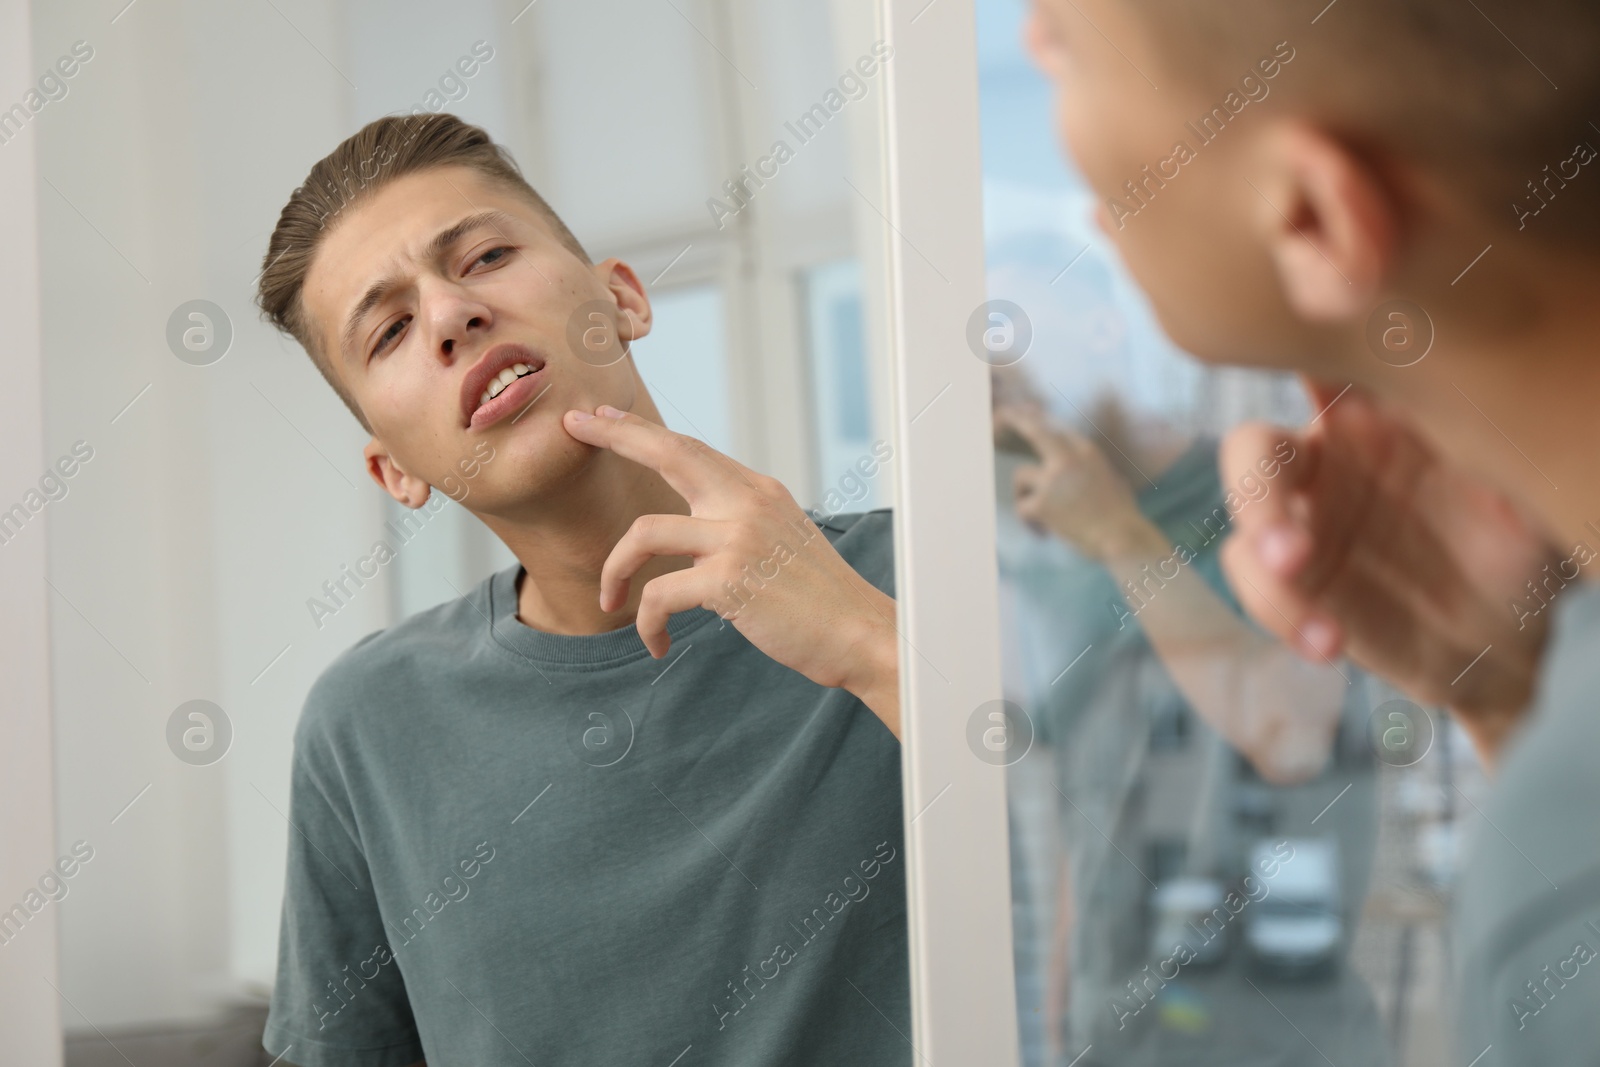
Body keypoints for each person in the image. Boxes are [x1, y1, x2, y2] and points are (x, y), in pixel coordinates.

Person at [252, 112, 906, 1066]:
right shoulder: (367, 726)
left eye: (482, 258)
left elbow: (1128, 883)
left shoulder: (912, 575)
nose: (450, 315)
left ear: (624, 300)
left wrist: (876, 646)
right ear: (394, 470)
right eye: (390, 328)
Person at [1021, 0, 1596, 1060]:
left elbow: (1283, 724)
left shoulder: (1566, 876)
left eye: (1070, 41)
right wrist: (1513, 693)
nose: (1030, 45)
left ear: (1311, 221)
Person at [992, 393, 1387, 1066]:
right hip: (1116, 1028)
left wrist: (1118, 535)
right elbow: (1090, 803)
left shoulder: (1265, 503)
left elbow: (1291, 728)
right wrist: (1064, 1004)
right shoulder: (1052, 563)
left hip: (1273, 1029)